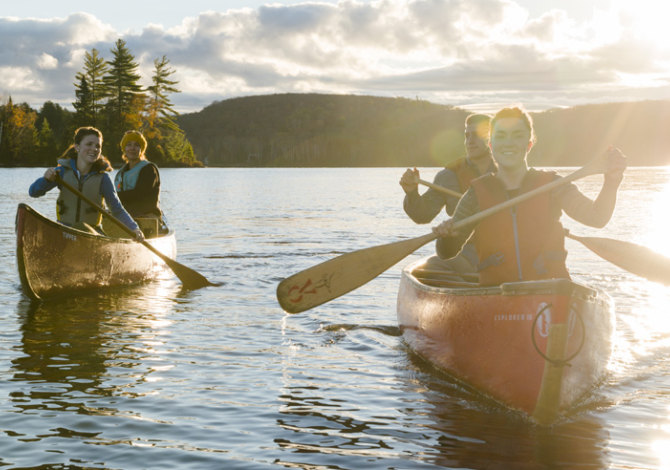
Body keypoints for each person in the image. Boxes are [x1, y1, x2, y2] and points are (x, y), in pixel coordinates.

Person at [432, 106, 627, 286]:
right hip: (496, 298)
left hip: (549, 294)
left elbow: (596, 217)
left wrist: (611, 184)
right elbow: (446, 251)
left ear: (529, 144)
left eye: (517, 136)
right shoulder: (476, 194)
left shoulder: (553, 185)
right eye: (501, 136)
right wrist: (447, 234)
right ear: (491, 145)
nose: (509, 143)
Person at [399, 113, 497, 275]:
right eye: (467, 135)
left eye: (478, 135)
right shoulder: (449, 175)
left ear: (492, 138)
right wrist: (412, 193)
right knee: (429, 270)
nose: (470, 141)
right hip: (467, 254)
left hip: (507, 249)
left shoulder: (508, 171)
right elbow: (422, 215)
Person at [29, 127, 144, 241]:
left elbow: (117, 210)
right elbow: (33, 192)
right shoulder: (62, 172)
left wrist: (135, 229)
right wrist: (46, 180)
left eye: (98, 146)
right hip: (64, 232)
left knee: (81, 227)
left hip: (92, 236)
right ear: (77, 147)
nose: (94, 149)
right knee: (73, 229)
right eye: (89, 144)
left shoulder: (103, 179)